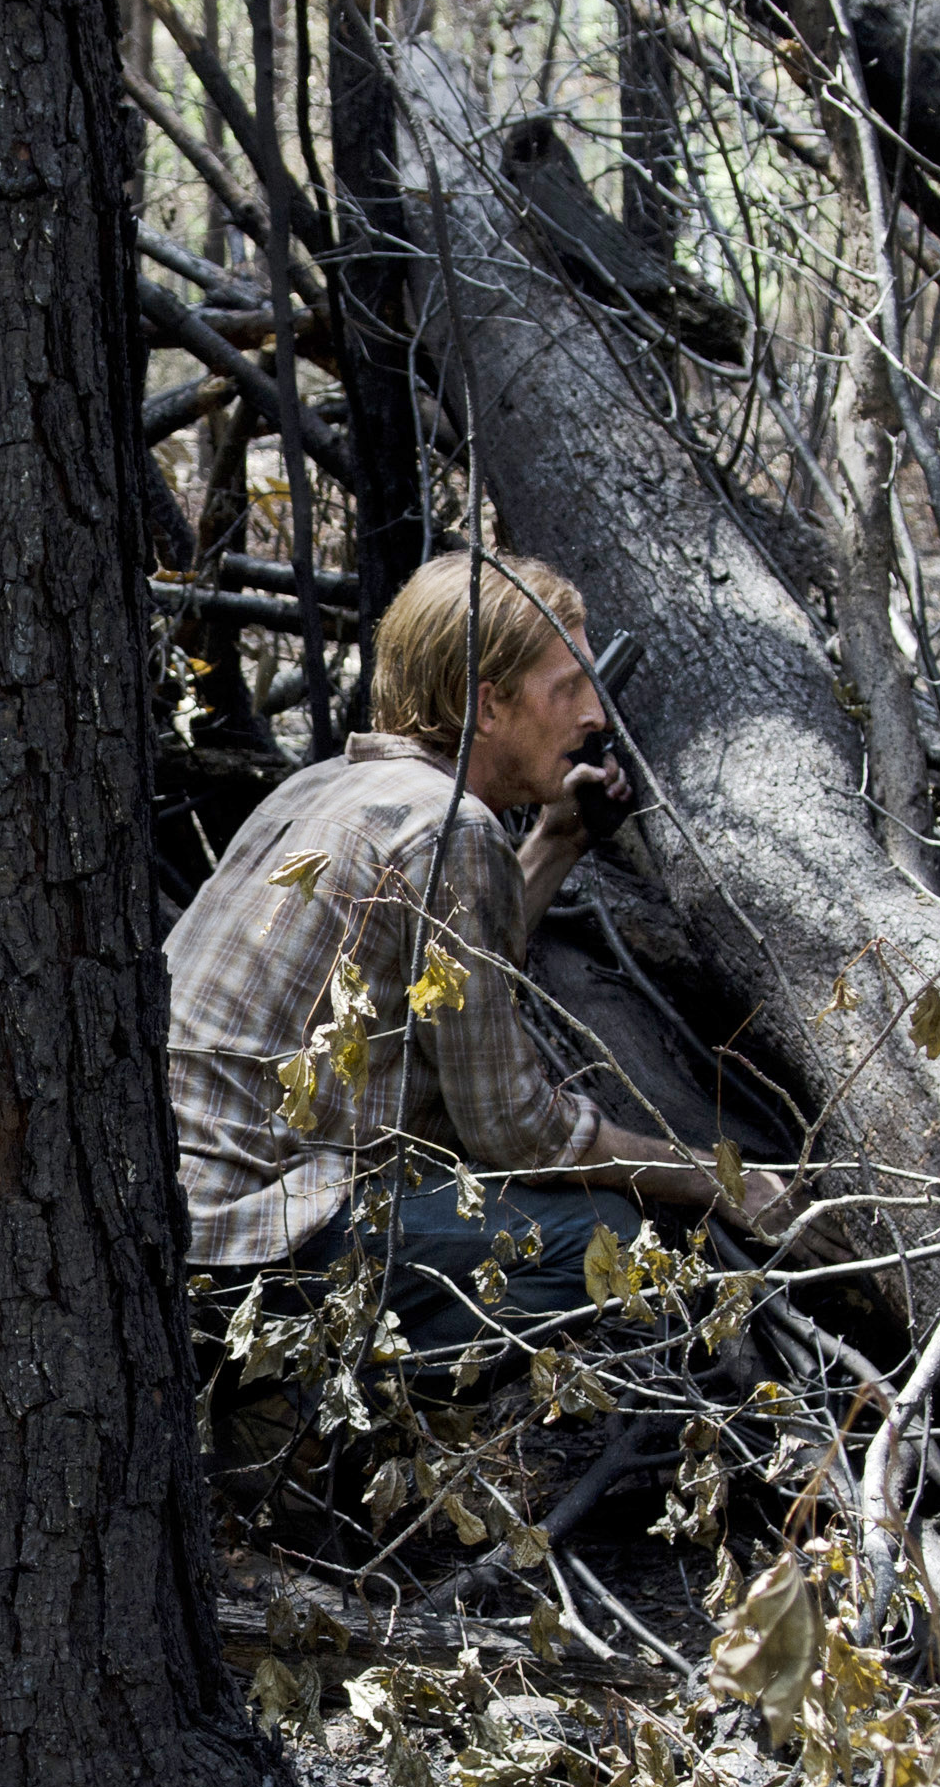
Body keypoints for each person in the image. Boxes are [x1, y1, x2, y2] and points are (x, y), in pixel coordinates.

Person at [165, 549, 794, 1365]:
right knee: (612, 1241)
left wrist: (557, 842)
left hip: (176, 1225)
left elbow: (441, 983)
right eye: (568, 688)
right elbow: (517, 1130)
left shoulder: (326, 784)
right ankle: (324, 1402)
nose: (596, 713)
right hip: (252, 1247)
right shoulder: (452, 829)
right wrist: (720, 1179)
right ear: (487, 707)